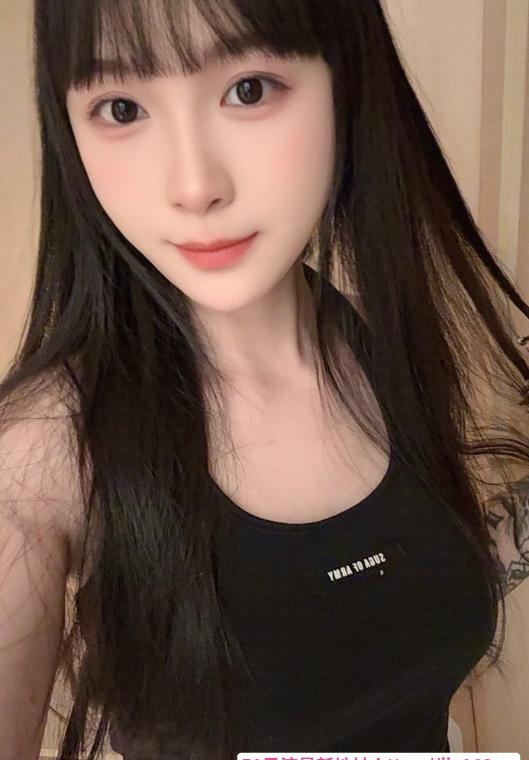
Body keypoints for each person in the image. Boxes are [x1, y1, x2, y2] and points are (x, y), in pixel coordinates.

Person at [1, 1, 529, 758]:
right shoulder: (41, 451)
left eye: (247, 89)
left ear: (346, 81)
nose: (194, 186)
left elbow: (398, 597)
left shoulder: (376, 339)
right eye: (121, 108)